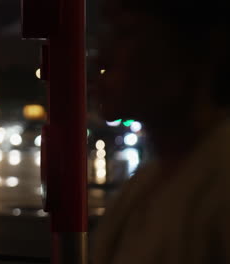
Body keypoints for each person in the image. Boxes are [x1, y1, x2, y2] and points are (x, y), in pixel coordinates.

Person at [92, 1, 230, 263]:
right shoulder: (145, 183)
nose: (103, 58)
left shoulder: (220, 183)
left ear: (198, 48)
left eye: (126, 34)